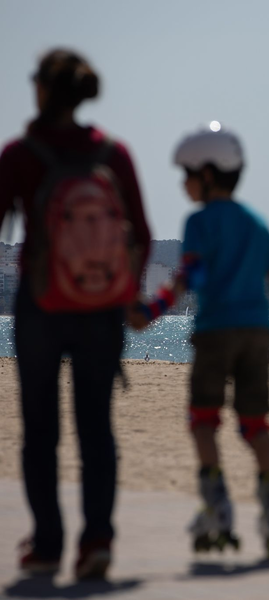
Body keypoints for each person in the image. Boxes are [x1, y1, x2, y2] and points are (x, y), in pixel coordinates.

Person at [0, 49, 152, 579]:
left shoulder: (20, 154)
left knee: (40, 429)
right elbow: (143, 235)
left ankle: (46, 545)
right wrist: (126, 296)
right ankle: (98, 542)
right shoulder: (113, 153)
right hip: (101, 309)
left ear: (43, 89)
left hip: (40, 305)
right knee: (97, 430)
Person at [130, 124, 269, 559]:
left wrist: (150, 311)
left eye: (186, 174)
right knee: (257, 426)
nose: (182, 183)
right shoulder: (256, 222)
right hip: (256, 333)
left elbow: (191, 277)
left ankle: (217, 509)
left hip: (214, 332)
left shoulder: (197, 222)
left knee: (204, 421)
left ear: (207, 174)